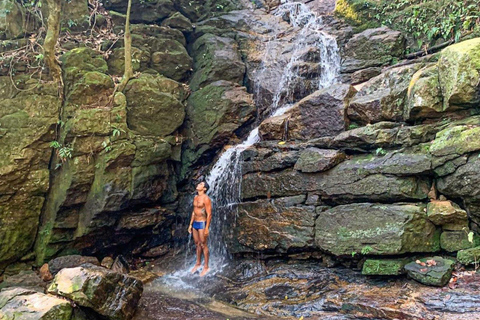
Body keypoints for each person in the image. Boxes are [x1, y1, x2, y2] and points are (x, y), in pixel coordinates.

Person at [188, 181, 212, 277]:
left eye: (201, 184)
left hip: (202, 223)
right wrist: (190, 224)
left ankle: (206, 267)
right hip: (195, 223)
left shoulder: (206, 199)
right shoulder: (195, 197)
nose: (198, 184)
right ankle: (198, 263)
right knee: (197, 244)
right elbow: (194, 212)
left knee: (203, 244)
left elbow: (209, 214)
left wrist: (207, 228)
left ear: (204, 188)